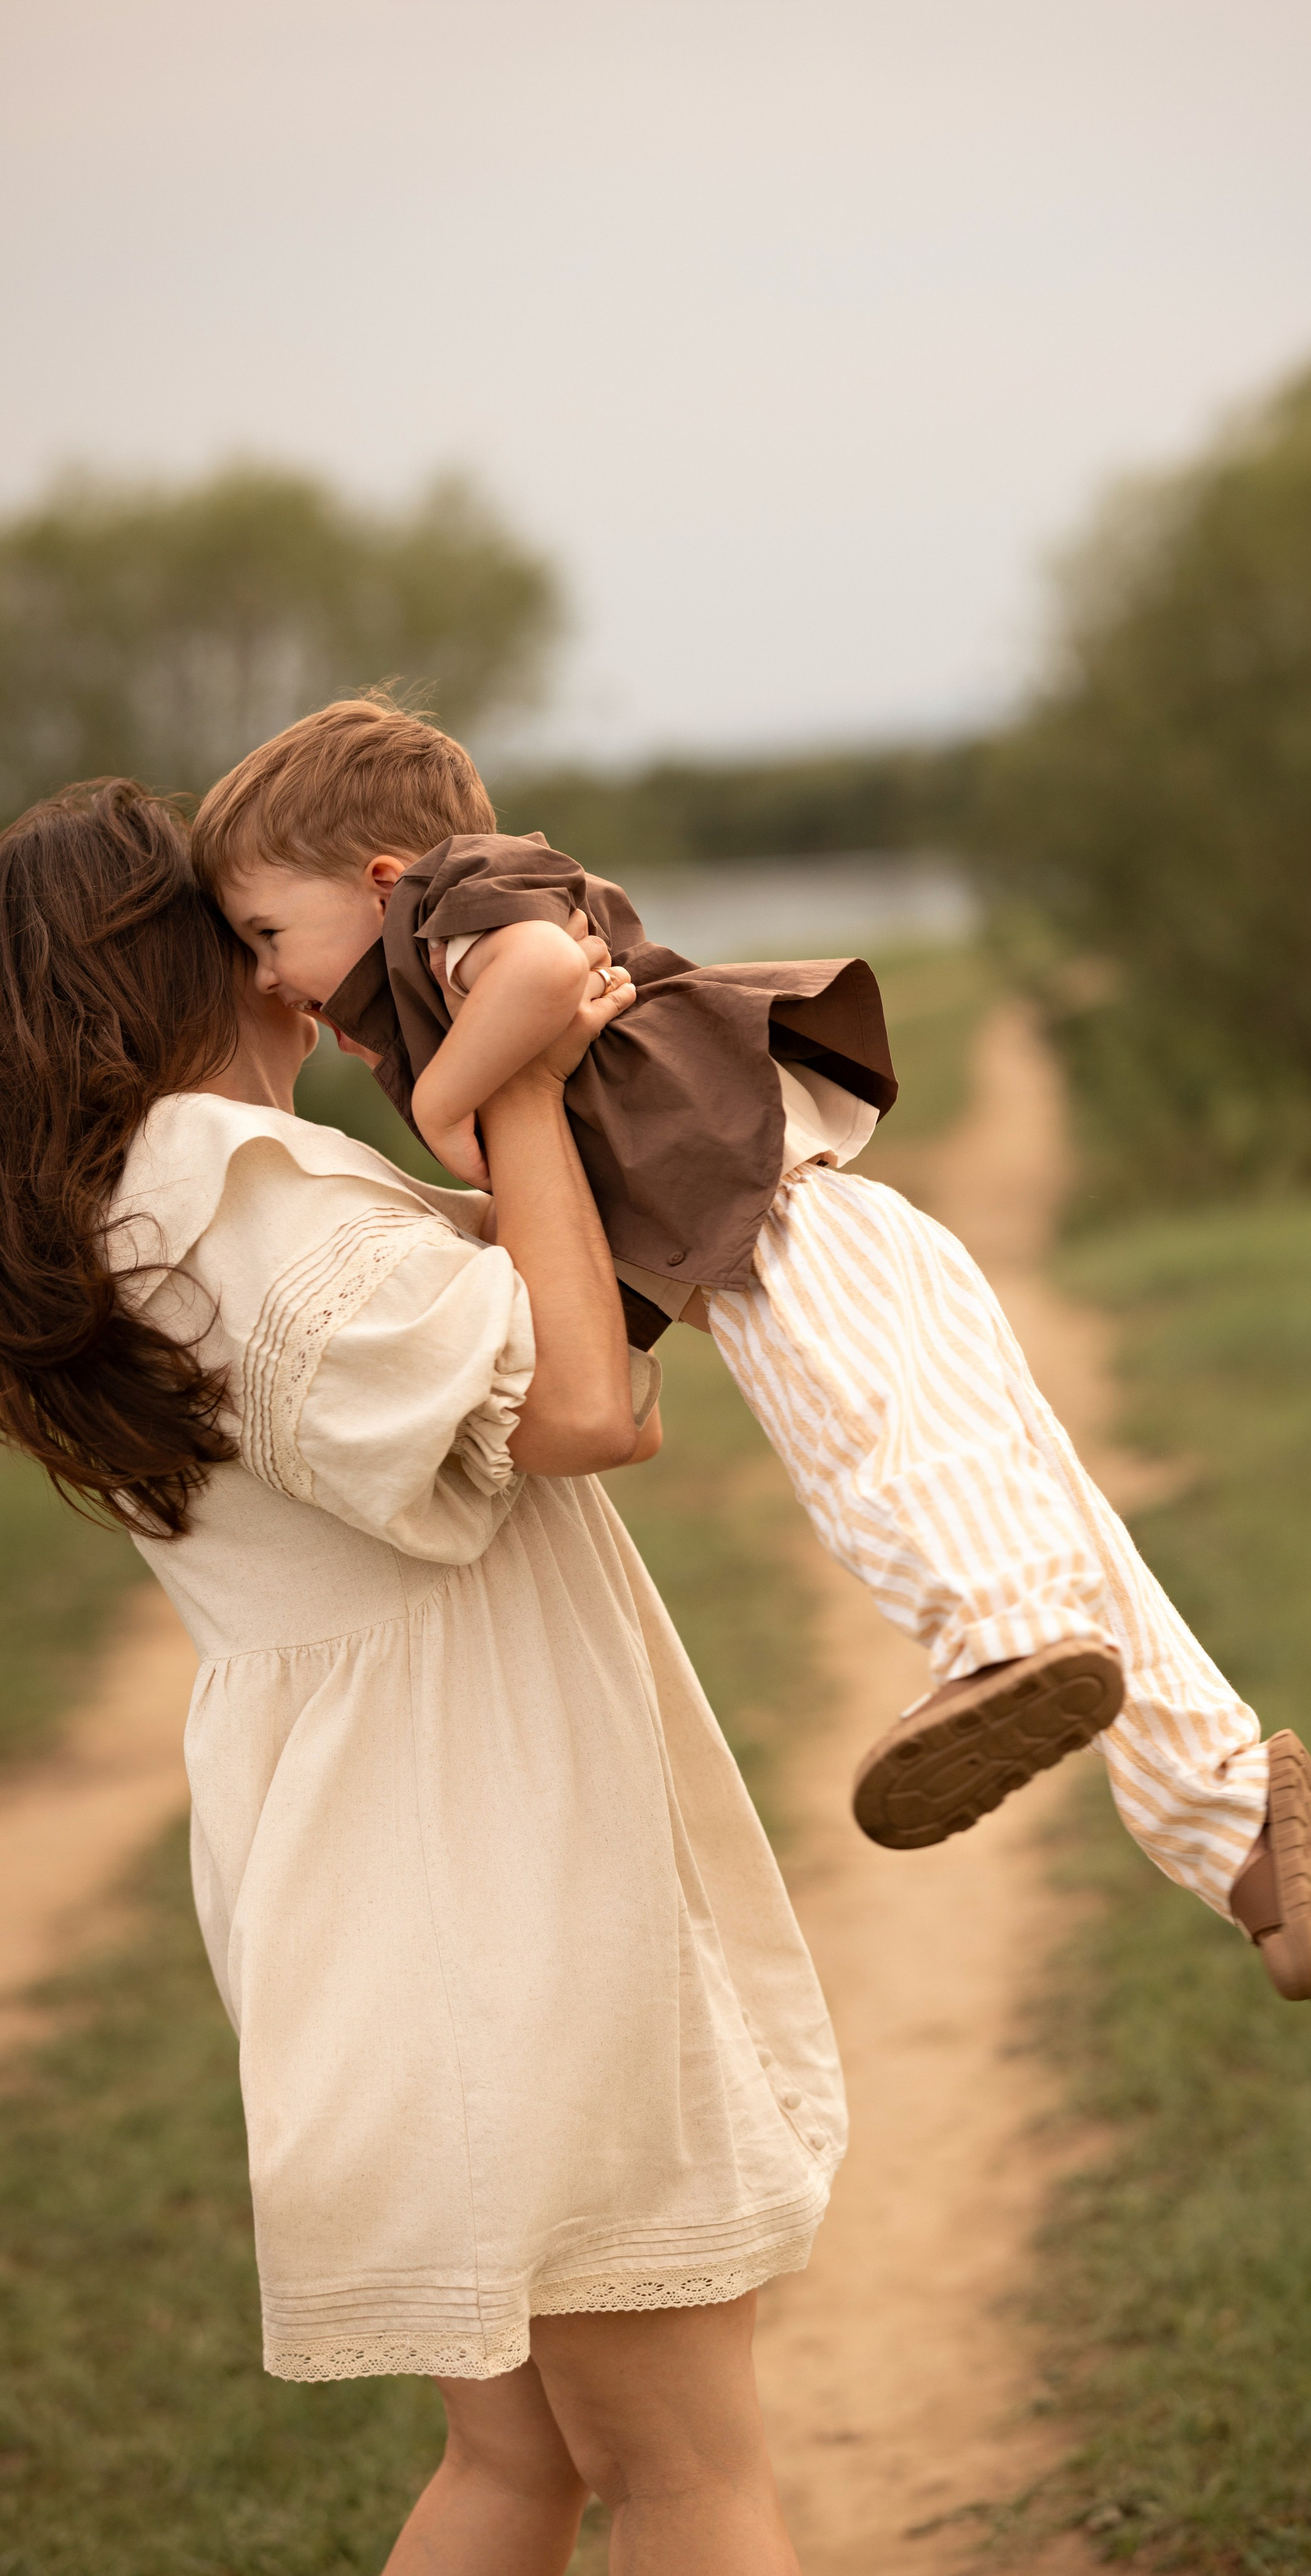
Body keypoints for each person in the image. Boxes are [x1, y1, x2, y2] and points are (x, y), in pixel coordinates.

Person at [0, 777, 841, 2574]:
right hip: (492, 1866)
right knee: (686, 2470)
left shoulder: (122, 1218)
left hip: (367, 1872)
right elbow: (587, 1405)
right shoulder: (235, 1190)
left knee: (519, 2464)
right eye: (243, 935)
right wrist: (515, 1076)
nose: (298, 974)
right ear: (168, 970)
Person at [193, 697, 1311, 2003]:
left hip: (786, 1231)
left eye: (267, 932)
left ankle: (1007, 1641)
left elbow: (547, 972)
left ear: (378, 878)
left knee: (876, 1446)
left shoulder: (451, 911)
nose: (265, 975)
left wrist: (451, 1097)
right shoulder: (425, 964)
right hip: (802, 1234)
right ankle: (1229, 1817)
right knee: (1060, 1512)